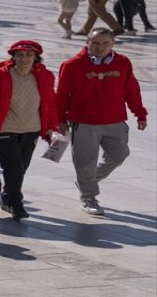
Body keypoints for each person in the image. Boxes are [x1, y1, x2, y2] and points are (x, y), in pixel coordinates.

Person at [56, 28, 147, 216]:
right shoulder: (72, 65)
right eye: (96, 43)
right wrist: (60, 120)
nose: (101, 47)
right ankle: (89, 197)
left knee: (119, 155)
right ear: (87, 43)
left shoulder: (122, 62)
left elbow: (131, 89)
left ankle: (87, 181)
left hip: (115, 120)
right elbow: (62, 95)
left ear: (112, 44)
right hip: (84, 122)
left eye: (106, 43)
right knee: (85, 162)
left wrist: (140, 113)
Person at [0, 40, 58, 221]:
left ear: (36, 58)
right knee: (14, 168)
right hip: (5, 129)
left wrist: (51, 127)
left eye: (29, 55)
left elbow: (50, 104)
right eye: (19, 55)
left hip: (31, 129)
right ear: (13, 57)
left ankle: (7, 196)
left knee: (21, 168)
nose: (24, 58)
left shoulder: (45, 76)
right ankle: (16, 202)